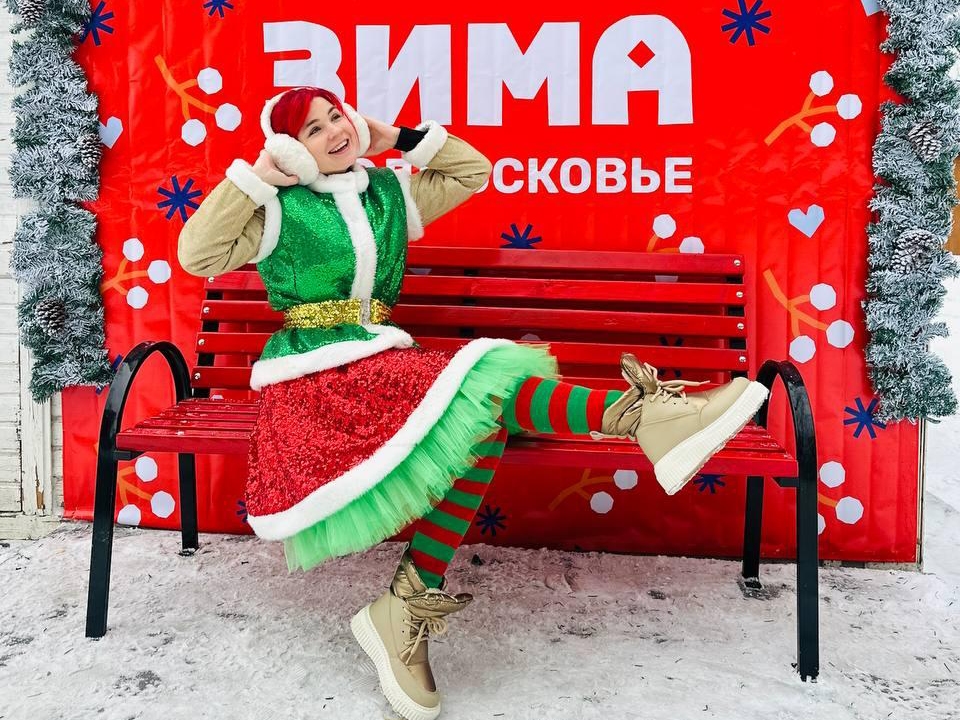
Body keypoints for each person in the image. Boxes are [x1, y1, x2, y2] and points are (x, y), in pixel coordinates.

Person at [177, 86, 769, 720]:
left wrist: (394, 137)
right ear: (290, 149)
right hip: (314, 382)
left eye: (336, 117)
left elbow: (472, 171)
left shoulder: (386, 194)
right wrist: (259, 179)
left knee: (484, 421)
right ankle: (648, 419)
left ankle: (404, 605)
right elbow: (196, 254)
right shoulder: (278, 209)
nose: (333, 132)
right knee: (486, 381)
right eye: (312, 131)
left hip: (381, 365)